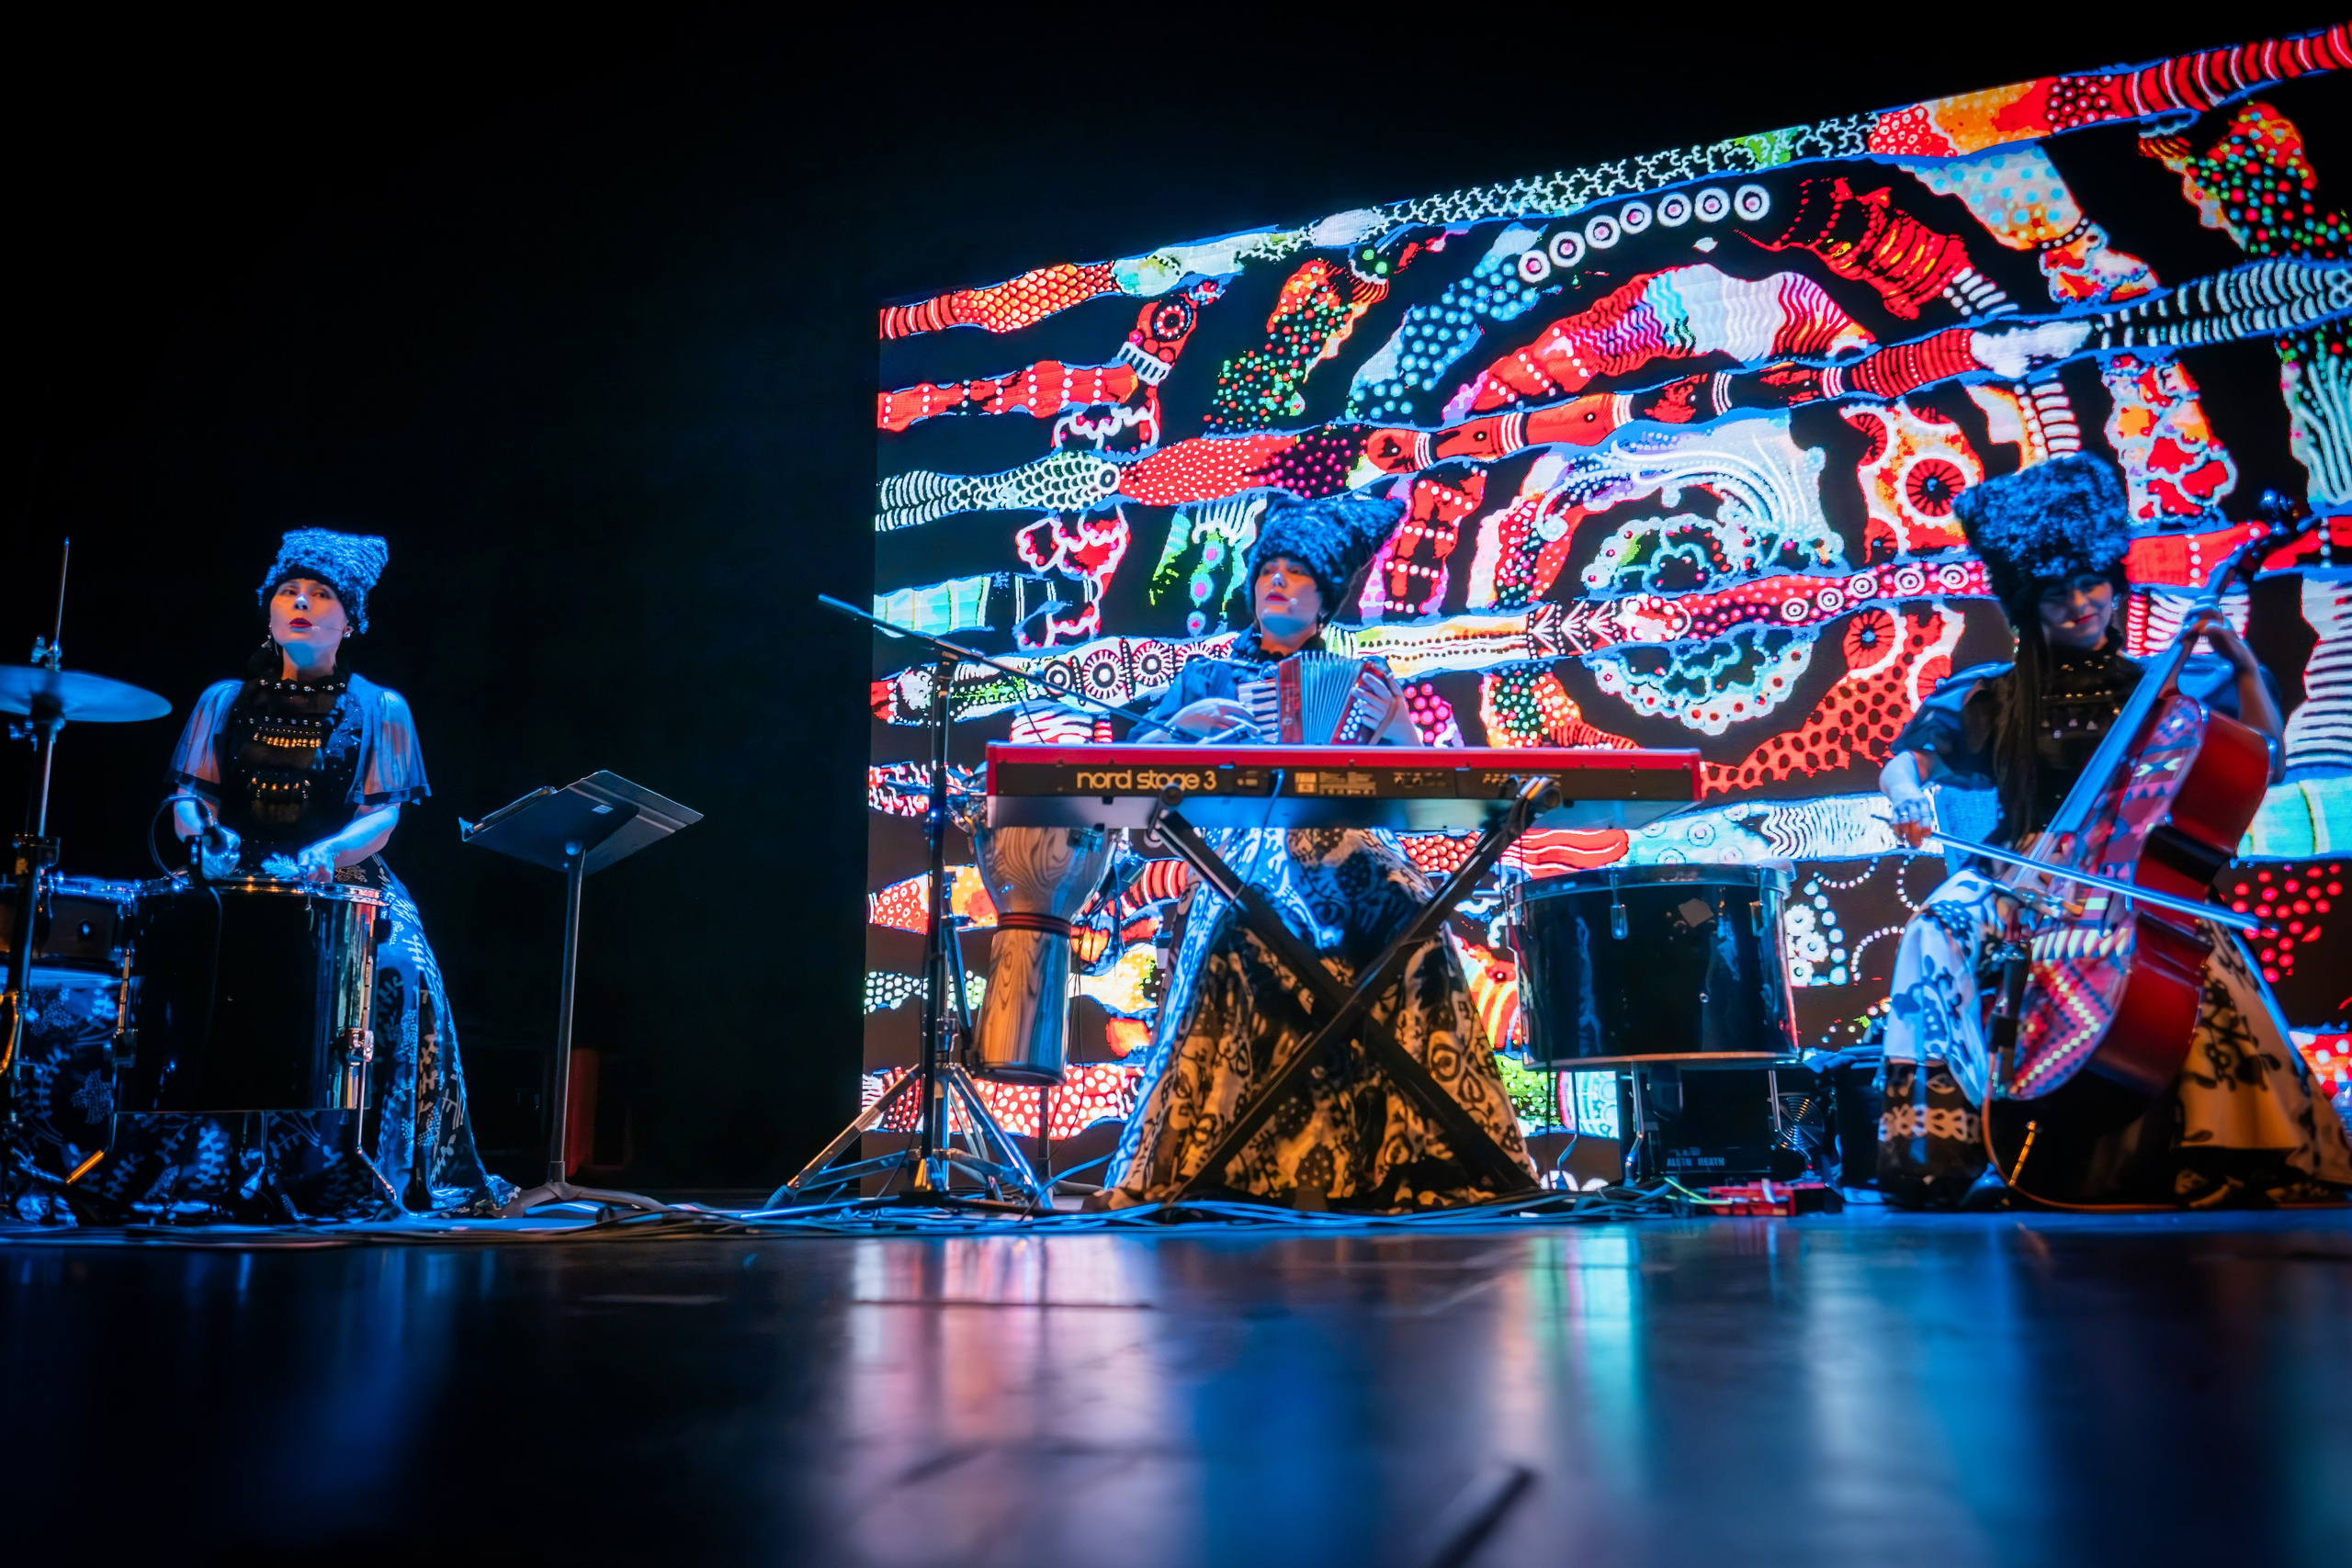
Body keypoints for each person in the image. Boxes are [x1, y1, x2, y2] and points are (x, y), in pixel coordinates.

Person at [1873, 455, 2351, 1207]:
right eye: (2057, 594)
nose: (2079, 605)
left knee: (2194, 952)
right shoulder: (1992, 697)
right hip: (2021, 873)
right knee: (1933, 930)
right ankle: (1942, 1147)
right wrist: (1907, 797)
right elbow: (1909, 763)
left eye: (2092, 584)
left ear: (2114, 582)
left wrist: (2243, 663)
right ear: (2028, 606)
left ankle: (2207, 1146)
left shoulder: (2159, 691)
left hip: (2126, 878)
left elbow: (2263, 757)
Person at [1102, 493, 1538, 1209]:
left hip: (1355, 859)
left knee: (1416, 922)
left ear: (1325, 602)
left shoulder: (1363, 683)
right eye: (1267, 567)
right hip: (1241, 862)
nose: (1276, 579)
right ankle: (1229, 1170)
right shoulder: (1205, 680)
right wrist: (1181, 724)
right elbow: (1128, 778)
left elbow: (1422, 795)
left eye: (1296, 572)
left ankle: (1437, 1160)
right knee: (1242, 927)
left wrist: (1399, 730)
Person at [103, 529, 508, 1219]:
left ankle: (357, 1160)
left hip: (343, 877)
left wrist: (326, 854)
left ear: (351, 619)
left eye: (321, 595)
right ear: (266, 610)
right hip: (234, 878)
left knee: (400, 966)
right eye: (288, 592)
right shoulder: (222, 699)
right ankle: (189, 1157)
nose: (301, 603)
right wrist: (202, 833)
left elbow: (382, 816)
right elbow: (188, 798)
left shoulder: (381, 707)